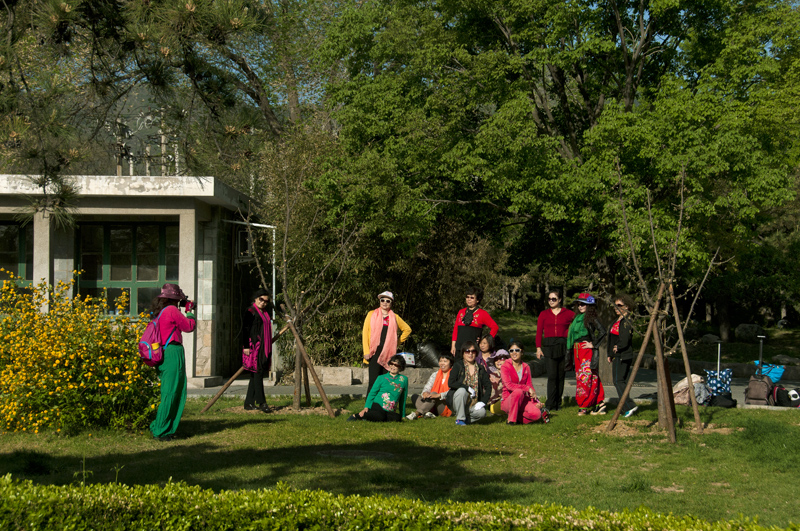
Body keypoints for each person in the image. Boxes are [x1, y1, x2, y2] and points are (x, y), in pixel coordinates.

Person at [149, 283, 196, 441]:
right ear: (175, 299)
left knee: (170, 391)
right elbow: (189, 326)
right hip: (172, 353)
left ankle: (163, 427)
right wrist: (189, 312)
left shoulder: (161, 311)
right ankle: (161, 430)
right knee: (171, 392)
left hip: (164, 353)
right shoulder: (171, 310)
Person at [362, 291, 412, 393]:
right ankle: (369, 403)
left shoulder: (395, 317)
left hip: (388, 354)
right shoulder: (371, 314)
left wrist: (396, 342)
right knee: (373, 381)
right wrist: (366, 351)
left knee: (386, 381)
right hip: (374, 352)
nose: (385, 302)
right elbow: (365, 332)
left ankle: (384, 402)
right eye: (382, 300)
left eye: (388, 301)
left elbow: (407, 329)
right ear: (380, 301)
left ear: (391, 303)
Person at [535, 289, 575, 411]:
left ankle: (558, 403)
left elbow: (577, 324)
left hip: (563, 346)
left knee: (560, 376)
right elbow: (539, 332)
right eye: (549, 299)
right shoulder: (544, 314)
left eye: (554, 299)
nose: (551, 301)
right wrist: (538, 348)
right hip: (549, 346)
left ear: (560, 300)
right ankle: (550, 403)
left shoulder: (568, 313)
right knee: (552, 375)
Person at [567, 293, 606, 415]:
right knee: (587, 376)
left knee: (586, 377)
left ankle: (584, 404)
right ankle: (600, 402)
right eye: (578, 304)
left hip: (586, 351)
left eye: (583, 304)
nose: (580, 306)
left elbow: (602, 331)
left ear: (589, 305)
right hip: (577, 351)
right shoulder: (577, 318)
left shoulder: (591, 318)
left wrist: (593, 344)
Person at [241, 288, 275, 412]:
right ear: (256, 298)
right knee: (258, 373)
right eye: (261, 299)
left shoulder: (265, 313)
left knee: (255, 375)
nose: (263, 302)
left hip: (263, 347)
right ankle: (262, 402)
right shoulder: (250, 311)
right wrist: (246, 346)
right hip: (253, 347)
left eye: (266, 301)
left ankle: (248, 403)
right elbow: (245, 329)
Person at [349, 355, 409, 422]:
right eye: (391, 363)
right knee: (380, 416)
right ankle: (356, 416)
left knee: (397, 418)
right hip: (377, 405)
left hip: (390, 410)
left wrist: (403, 415)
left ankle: (369, 417)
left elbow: (403, 398)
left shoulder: (404, 380)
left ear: (401, 367)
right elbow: (372, 393)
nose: (393, 366)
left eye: (396, 365)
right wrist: (366, 407)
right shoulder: (381, 378)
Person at [501, 341, 548, 424]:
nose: (514, 352)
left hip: (522, 399)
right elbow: (509, 385)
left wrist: (535, 402)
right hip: (508, 400)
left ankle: (517, 417)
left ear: (522, 352)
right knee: (518, 391)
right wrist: (527, 388)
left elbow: (530, 385)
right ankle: (511, 420)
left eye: (517, 350)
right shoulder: (505, 366)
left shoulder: (526, 367)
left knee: (537, 414)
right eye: (511, 351)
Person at [607, 293, 638, 417]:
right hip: (617, 355)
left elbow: (625, 339)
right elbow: (612, 338)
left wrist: (618, 347)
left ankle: (629, 406)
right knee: (620, 381)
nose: (616, 308)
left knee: (618, 381)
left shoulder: (626, 321)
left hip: (623, 355)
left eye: (619, 305)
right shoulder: (618, 320)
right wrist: (610, 353)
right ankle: (624, 408)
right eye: (615, 305)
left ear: (627, 306)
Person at [446, 341, 491, 426]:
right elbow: (451, 383)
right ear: (463, 353)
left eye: (473, 351)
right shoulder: (458, 366)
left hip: (473, 403)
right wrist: (466, 388)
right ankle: (460, 419)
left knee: (482, 412)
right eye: (467, 351)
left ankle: (466, 420)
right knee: (462, 391)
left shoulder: (480, 368)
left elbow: (488, 386)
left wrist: (483, 402)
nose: (470, 354)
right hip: (458, 401)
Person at [451, 287, 499, 355]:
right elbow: (456, 329)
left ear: (477, 300)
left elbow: (495, 327)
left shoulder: (482, 314)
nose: (469, 299)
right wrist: (453, 346)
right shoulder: (461, 312)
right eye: (467, 297)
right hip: (459, 349)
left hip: (473, 351)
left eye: (472, 298)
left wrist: (485, 341)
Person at [407, 354, 454, 420]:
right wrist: (425, 393)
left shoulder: (454, 375)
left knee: (433, 394)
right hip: (431, 401)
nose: (442, 363)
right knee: (415, 397)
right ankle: (427, 413)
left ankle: (417, 413)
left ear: (451, 363)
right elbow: (428, 387)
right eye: (440, 361)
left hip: (444, 404)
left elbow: (453, 391)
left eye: (445, 361)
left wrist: (439, 395)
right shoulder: (435, 374)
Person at [487, 349, 510, 415]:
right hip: (495, 404)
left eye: (502, 358)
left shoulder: (511, 374)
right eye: (496, 359)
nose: (498, 361)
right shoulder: (491, 376)